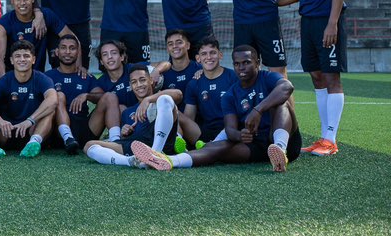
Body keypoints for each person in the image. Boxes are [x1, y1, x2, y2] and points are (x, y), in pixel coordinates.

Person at [134, 45, 301, 173]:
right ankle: (169, 160)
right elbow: (230, 129)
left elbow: (287, 87)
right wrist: (240, 135)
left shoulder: (268, 77)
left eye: (247, 63)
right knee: (218, 149)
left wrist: (257, 110)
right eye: (237, 64)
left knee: (281, 103)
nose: (241, 67)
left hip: (284, 142)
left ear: (258, 63)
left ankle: (280, 150)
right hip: (256, 145)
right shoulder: (230, 94)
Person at [277, 0, 347, 156]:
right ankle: (323, 138)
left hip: (327, 21)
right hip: (306, 22)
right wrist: (266, 0)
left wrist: (332, 23)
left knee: (331, 78)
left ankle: (331, 139)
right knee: (317, 77)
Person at [83, 64, 182, 168]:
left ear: (151, 80)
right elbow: (125, 138)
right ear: (130, 85)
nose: (139, 85)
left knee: (164, 99)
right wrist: (124, 132)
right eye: (134, 82)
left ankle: (155, 153)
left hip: (158, 144)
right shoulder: (127, 112)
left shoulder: (160, 101)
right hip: (136, 146)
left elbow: (178, 94)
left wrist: (148, 100)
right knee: (89, 146)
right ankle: (131, 161)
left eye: (142, 80)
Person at [0, 40, 67, 158]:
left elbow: (52, 100)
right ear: (12, 60)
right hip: (7, 131)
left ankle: (34, 142)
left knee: (50, 111)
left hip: (31, 130)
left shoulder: (42, 78)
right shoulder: (4, 80)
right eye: (17, 56)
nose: (22, 59)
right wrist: (0, 121)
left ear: (33, 59)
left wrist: (30, 120)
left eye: (26, 56)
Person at [47, 34, 118, 147]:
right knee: (58, 96)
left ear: (78, 52)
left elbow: (102, 96)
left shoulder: (85, 76)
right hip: (58, 132)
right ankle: (67, 137)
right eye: (63, 48)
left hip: (84, 128)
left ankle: (116, 141)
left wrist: (87, 95)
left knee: (110, 96)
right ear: (57, 52)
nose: (68, 52)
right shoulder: (47, 77)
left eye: (72, 48)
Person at [0, 0, 68, 76]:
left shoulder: (46, 15)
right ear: (12, 0)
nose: (22, 3)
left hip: (38, 76)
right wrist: (5, 81)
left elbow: (71, 38)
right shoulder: (4, 23)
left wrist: (78, 65)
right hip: (13, 76)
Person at [177, 36, 239, 150]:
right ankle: (178, 143)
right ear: (198, 58)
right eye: (204, 54)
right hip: (203, 134)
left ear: (220, 55)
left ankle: (210, 146)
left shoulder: (233, 77)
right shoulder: (194, 83)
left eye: (213, 53)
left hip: (230, 130)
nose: (209, 57)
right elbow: (188, 118)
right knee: (171, 109)